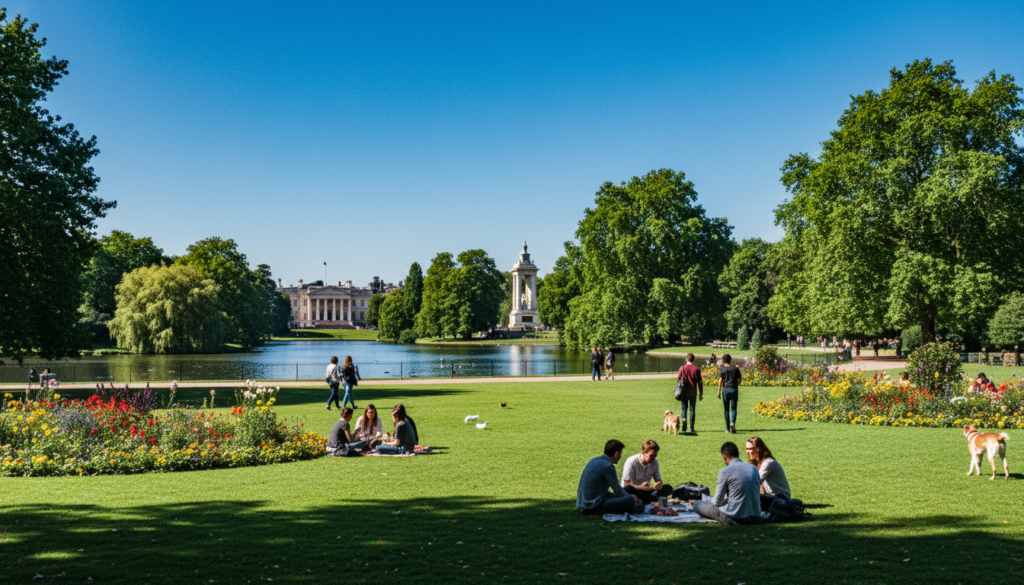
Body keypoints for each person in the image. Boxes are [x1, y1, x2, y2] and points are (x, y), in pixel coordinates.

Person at [690, 442, 762, 525]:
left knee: (697, 504)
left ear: (724, 457)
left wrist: (699, 502)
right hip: (755, 516)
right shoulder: (753, 468)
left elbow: (716, 502)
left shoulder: (725, 471)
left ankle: (696, 503)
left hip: (735, 517)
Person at [576, 439, 645, 515]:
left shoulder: (594, 460)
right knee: (629, 500)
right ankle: (631, 508)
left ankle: (631, 508)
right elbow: (618, 490)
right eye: (620, 453)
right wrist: (630, 498)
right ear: (616, 453)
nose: (620, 456)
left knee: (625, 495)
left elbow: (602, 490)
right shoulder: (608, 466)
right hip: (594, 506)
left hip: (584, 504)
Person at [745, 436, 791, 510]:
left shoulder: (768, 463)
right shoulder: (757, 463)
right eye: (747, 449)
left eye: (751, 449)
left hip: (781, 498)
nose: (748, 452)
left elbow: (757, 481)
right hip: (771, 497)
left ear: (758, 449)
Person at [621, 440, 673, 504]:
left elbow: (658, 479)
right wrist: (640, 487)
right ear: (643, 453)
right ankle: (651, 499)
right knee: (628, 489)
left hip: (646, 491)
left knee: (668, 488)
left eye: (655, 456)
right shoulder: (631, 461)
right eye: (651, 456)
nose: (653, 458)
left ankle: (648, 499)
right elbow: (626, 484)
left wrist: (659, 485)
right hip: (634, 490)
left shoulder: (655, 462)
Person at [675, 353, 704, 433]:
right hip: (693, 392)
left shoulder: (682, 368)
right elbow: (699, 382)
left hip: (683, 392)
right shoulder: (696, 369)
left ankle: (684, 425)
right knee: (692, 410)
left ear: (686, 359)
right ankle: (691, 428)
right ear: (693, 359)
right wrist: (701, 393)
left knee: (684, 408)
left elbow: (678, 379)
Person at [718, 354, 741, 434]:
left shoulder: (722, 369)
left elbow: (720, 380)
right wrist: (736, 384)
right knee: (734, 408)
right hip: (733, 389)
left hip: (725, 389)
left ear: (723, 360)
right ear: (730, 360)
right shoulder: (735, 369)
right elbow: (739, 380)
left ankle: (727, 429)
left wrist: (718, 391)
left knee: (726, 409)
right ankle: (732, 423)